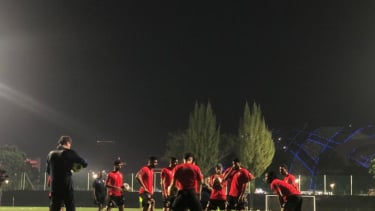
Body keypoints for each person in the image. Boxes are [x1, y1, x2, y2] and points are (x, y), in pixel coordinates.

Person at [46, 135, 88, 211]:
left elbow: (49, 171)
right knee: (70, 206)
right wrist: (74, 167)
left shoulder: (50, 154)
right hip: (66, 185)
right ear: (68, 143)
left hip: (54, 186)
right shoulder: (70, 152)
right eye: (70, 144)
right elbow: (85, 163)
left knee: (54, 207)